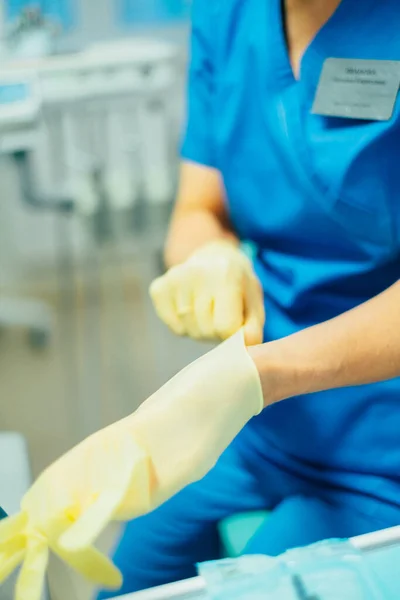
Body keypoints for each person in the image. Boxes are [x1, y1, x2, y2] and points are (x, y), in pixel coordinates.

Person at [2, 1, 400, 598]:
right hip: (264, 425)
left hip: (381, 442)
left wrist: (255, 376)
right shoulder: (229, 13)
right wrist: (207, 257)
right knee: (126, 583)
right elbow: (196, 209)